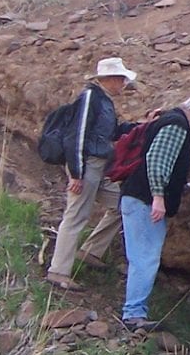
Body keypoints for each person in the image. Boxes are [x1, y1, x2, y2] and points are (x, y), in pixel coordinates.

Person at [118, 93, 190, 331]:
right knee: (146, 258)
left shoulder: (168, 120)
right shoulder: (177, 125)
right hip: (144, 200)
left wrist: (186, 186)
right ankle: (133, 314)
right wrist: (158, 198)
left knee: (141, 257)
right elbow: (156, 161)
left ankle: (133, 312)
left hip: (136, 197)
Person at [45, 57, 137, 293]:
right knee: (76, 215)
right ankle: (59, 271)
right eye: (121, 79)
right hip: (87, 166)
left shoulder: (103, 101)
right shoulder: (90, 98)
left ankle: (91, 251)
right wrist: (76, 173)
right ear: (110, 79)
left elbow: (112, 132)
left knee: (123, 202)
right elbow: (77, 135)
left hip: (99, 166)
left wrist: (141, 125)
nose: (123, 84)